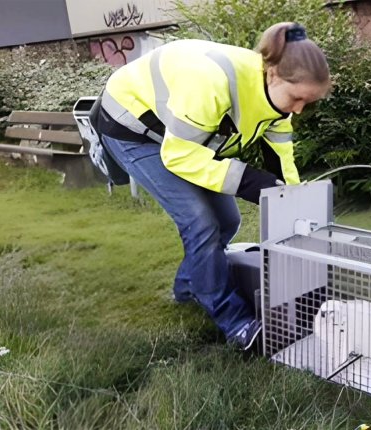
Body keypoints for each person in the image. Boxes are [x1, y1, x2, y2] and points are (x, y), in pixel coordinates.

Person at [94, 22, 331, 349]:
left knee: (229, 221)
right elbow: (178, 156)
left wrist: (294, 202)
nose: (299, 109)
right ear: (273, 74)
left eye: (308, 102)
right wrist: (251, 182)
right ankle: (236, 323)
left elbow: (282, 161)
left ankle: (188, 287)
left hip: (177, 134)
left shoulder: (280, 104)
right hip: (132, 127)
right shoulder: (211, 81)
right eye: (297, 98)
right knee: (200, 222)